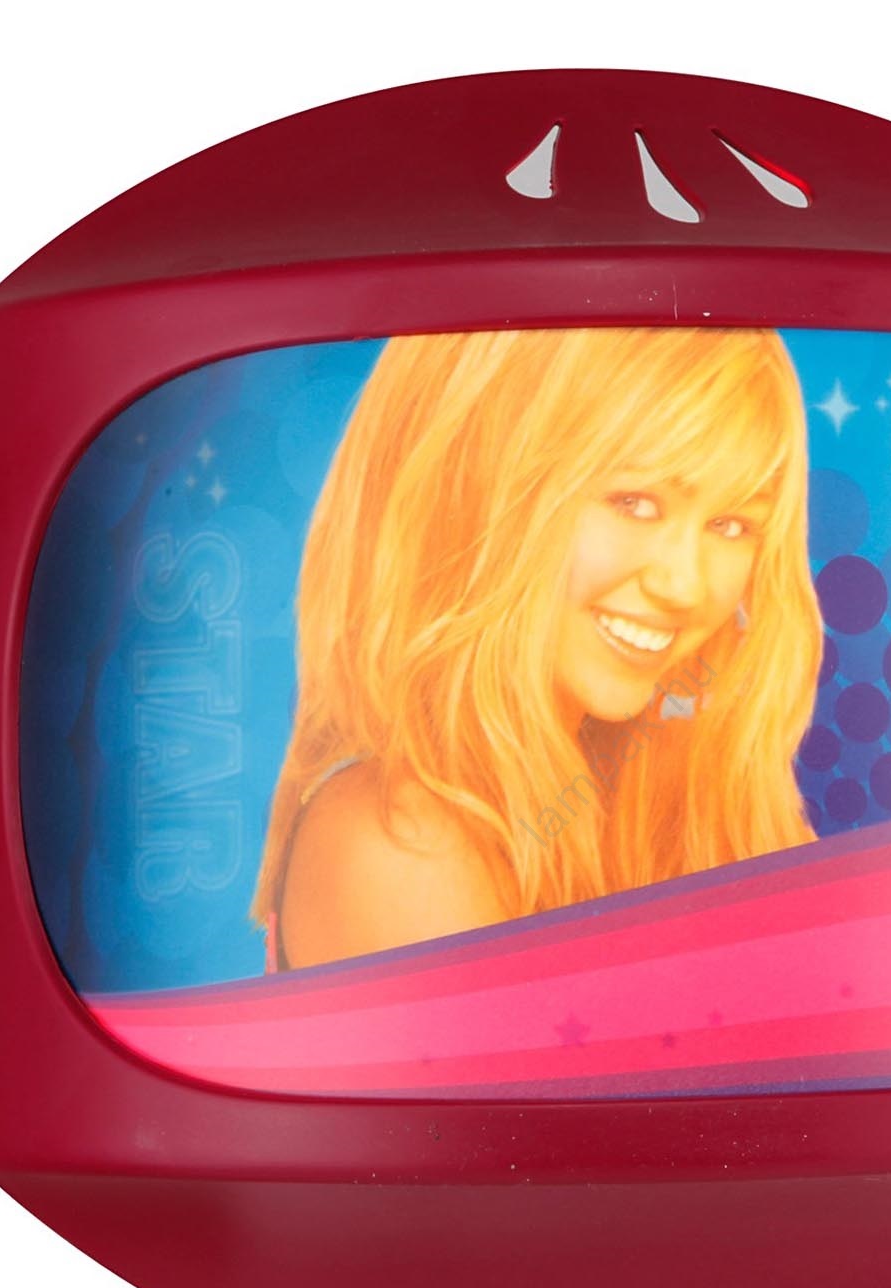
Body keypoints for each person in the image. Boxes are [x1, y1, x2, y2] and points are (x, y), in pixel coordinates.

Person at [252, 326, 823, 970]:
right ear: (477, 491)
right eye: (633, 503)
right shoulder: (400, 839)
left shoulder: (644, 789)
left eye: (731, 525)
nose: (685, 586)